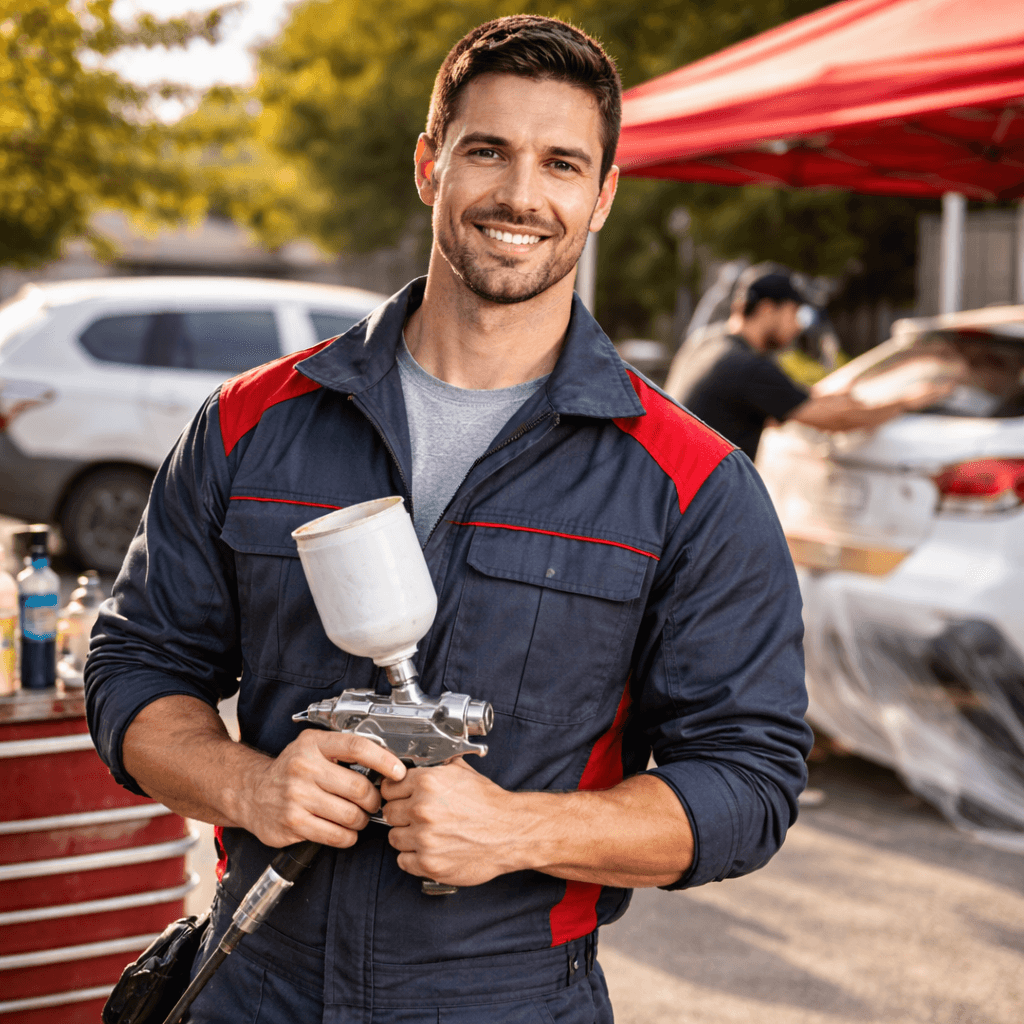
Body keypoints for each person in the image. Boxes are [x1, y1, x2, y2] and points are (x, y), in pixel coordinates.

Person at [85, 17, 811, 1024]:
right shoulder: (252, 425)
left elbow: (748, 780)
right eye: (486, 151)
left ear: (600, 197)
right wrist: (251, 787)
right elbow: (136, 669)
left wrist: (516, 830)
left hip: (506, 994)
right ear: (430, 166)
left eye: (561, 163)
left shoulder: (690, 482)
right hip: (257, 977)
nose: (520, 194)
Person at [665, 265, 947, 461]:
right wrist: (906, 402)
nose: (798, 327)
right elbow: (838, 419)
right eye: (795, 314)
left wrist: (839, 391)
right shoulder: (747, 367)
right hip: (699, 508)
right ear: (767, 309)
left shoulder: (704, 344)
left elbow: (784, 402)